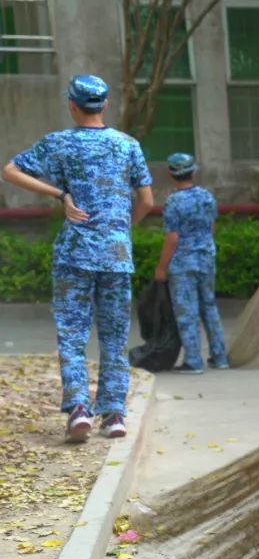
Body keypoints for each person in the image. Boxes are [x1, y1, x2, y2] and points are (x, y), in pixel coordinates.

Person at [2, 74, 153, 442]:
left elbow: (10, 171)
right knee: (115, 337)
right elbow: (147, 201)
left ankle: (79, 409)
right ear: (104, 105)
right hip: (116, 254)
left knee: (72, 335)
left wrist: (59, 194)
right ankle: (114, 414)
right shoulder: (128, 145)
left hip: (74, 253)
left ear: (72, 105)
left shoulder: (59, 143)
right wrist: (121, 230)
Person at [153, 152, 228, 374]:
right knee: (209, 307)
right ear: (194, 172)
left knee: (186, 312)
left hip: (183, 264)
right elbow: (211, 227)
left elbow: (172, 238)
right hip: (206, 258)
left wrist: (161, 267)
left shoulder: (173, 202)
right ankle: (219, 356)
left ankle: (194, 360)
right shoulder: (207, 197)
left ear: (170, 174)